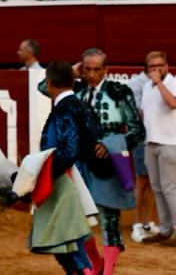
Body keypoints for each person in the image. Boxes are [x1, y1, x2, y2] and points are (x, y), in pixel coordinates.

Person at [66, 48, 146, 272]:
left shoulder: (119, 92)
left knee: (109, 219)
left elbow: (137, 131)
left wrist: (109, 144)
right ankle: (94, 264)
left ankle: (108, 270)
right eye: (87, 69)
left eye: (96, 69)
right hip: (79, 162)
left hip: (107, 161)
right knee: (77, 217)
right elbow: (45, 88)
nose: (91, 74)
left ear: (106, 70)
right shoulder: (75, 88)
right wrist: (72, 72)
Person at [33, 60, 101, 274]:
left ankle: (85, 269)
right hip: (83, 172)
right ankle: (94, 266)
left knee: (65, 235)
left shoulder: (64, 108)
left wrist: (44, 175)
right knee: (77, 227)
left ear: (51, 82)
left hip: (68, 176)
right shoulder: (84, 105)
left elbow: (68, 151)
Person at [139, 50, 176, 245]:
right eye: (152, 67)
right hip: (150, 142)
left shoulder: (173, 82)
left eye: (159, 66)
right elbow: (145, 114)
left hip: (171, 143)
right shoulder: (146, 86)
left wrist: (159, 82)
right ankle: (165, 229)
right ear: (147, 70)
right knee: (158, 189)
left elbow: (172, 103)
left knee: (170, 189)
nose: (156, 70)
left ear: (166, 66)